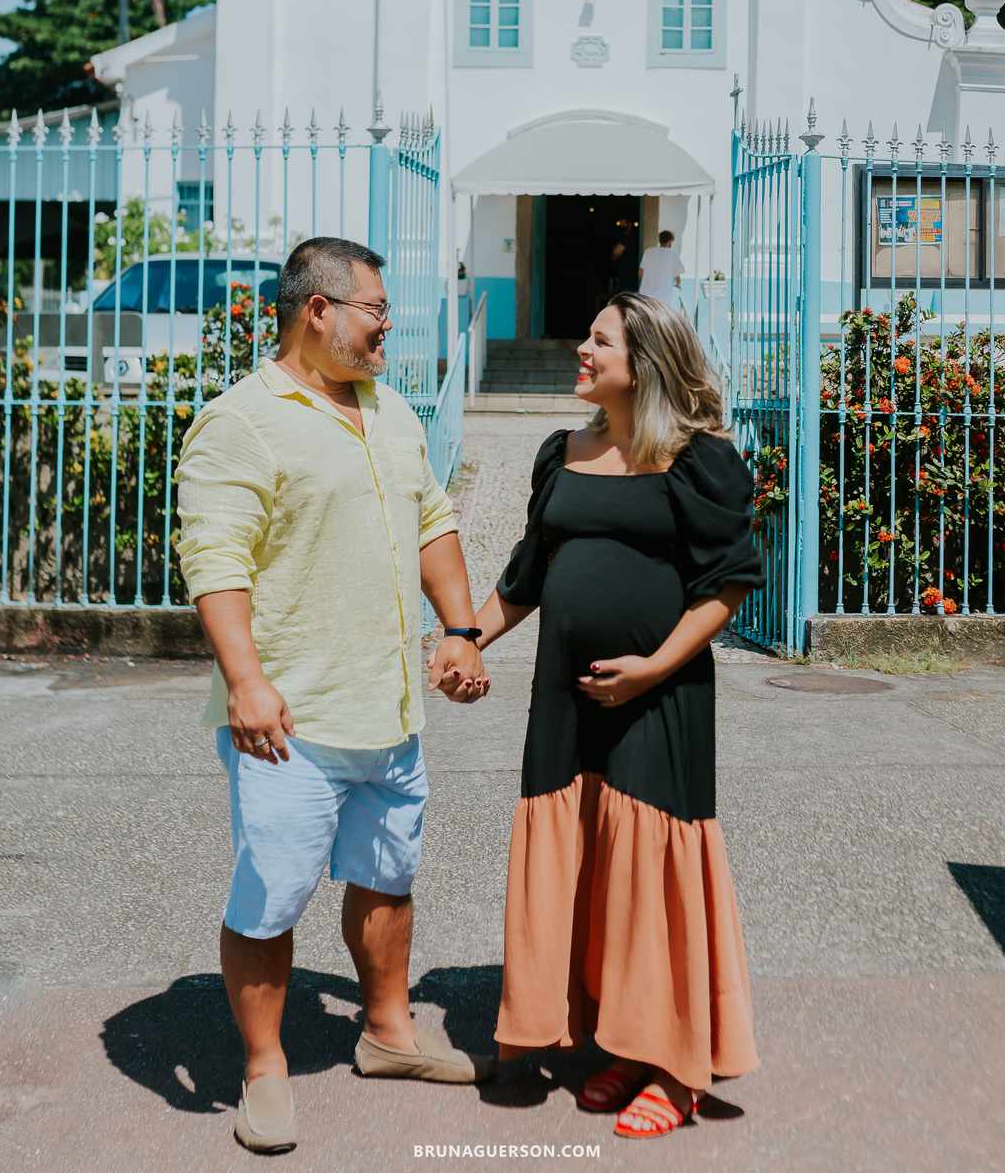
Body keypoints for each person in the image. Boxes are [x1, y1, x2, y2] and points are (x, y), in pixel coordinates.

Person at [176, 236, 493, 1155]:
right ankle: (265, 1068)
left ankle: (389, 1032)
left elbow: (432, 519)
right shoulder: (243, 421)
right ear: (318, 310)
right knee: (273, 895)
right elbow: (216, 558)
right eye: (375, 310)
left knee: (387, 877)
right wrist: (246, 681)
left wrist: (462, 629)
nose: (389, 325)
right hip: (291, 721)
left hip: (390, 709)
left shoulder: (388, 410)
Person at [473, 291, 763, 1140]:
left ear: (646, 361)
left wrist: (654, 668)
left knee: (655, 871)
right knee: (596, 868)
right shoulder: (562, 452)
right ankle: (626, 1043)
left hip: (660, 696)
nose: (582, 349)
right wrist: (466, 638)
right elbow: (527, 572)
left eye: (599, 339)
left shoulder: (697, 458)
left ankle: (678, 1068)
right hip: (565, 700)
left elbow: (731, 582)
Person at [637, 230, 685, 307]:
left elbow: (640, 272)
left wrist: (647, 282)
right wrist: (678, 285)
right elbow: (677, 277)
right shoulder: (673, 255)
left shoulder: (648, 252)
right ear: (670, 241)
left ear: (659, 239)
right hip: (662, 297)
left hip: (645, 294)